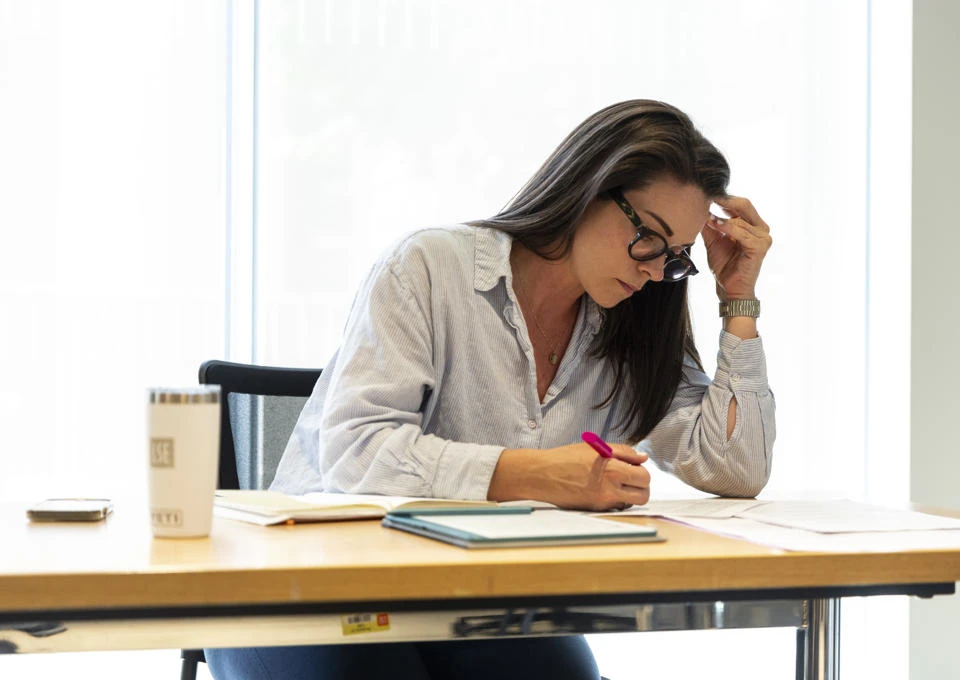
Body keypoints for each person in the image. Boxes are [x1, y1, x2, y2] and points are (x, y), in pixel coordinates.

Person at [206, 99, 775, 680]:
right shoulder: (428, 267)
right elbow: (358, 456)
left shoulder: (635, 324)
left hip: (473, 602)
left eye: (677, 256)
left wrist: (738, 298)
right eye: (650, 238)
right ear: (590, 187)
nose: (657, 271)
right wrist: (538, 474)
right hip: (312, 589)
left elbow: (735, 469)